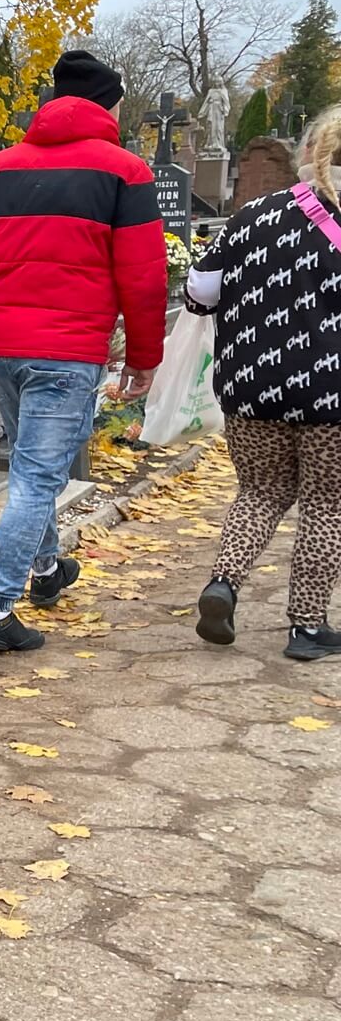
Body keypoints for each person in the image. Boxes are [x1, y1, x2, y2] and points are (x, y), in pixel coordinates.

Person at [0, 49, 166, 651]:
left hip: (1, 349)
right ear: (108, 105)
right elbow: (145, 276)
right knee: (35, 476)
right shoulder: (125, 173)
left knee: (34, 467)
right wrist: (144, 358)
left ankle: (47, 571)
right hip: (69, 353)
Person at [189, 106, 341, 659]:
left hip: (251, 386)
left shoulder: (254, 214)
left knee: (259, 491)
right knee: (327, 505)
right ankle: (306, 627)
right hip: (331, 395)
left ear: (308, 152)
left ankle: (223, 584)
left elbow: (200, 290)